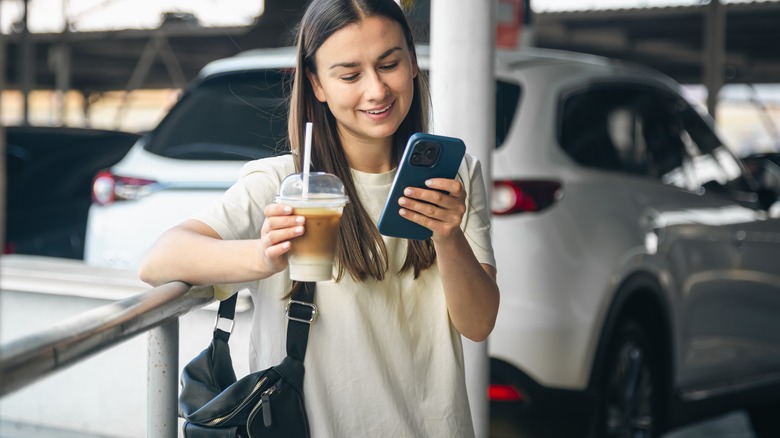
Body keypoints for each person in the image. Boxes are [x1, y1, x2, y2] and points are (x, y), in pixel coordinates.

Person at [139, 0, 499, 436]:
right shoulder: (281, 182)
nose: (376, 90)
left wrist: (447, 234)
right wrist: (264, 257)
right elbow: (159, 260)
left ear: (413, 63)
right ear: (317, 84)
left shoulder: (455, 176)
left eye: (389, 64)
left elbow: (478, 325)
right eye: (349, 75)